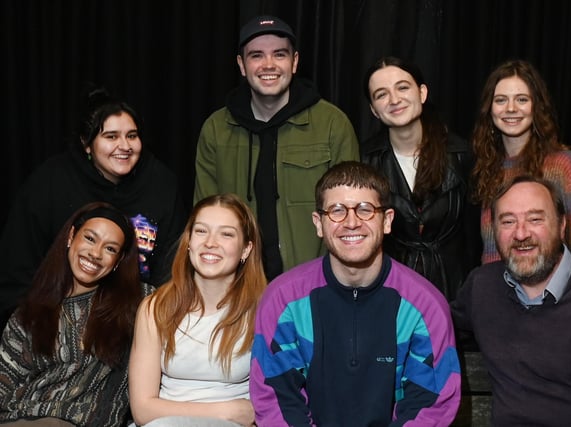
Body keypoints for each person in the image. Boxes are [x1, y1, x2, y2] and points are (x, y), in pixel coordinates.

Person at [250, 161, 461, 426]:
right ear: (319, 223)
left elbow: (430, 406)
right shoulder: (282, 301)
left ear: (387, 221)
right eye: (337, 210)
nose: (351, 222)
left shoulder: (425, 306)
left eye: (366, 209)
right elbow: (276, 399)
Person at [450, 175, 571, 426]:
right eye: (508, 221)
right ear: (494, 231)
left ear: (562, 226)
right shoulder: (482, 287)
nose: (520, 233)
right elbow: (433, 329)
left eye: (535, 219)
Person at [0, 87, 188, 326]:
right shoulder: (50, 183)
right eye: (111, 137)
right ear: (87, 144)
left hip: (137, 320)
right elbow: (17, 269)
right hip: (58, 319)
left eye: (132, 135)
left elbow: (173, 265)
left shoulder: (161, 183)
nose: (124, 146)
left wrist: (158, 322)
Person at [193, 15, 359, 281]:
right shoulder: (216, 129)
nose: (268, 65)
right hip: (237, 286)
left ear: (294, 62)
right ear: (241, 65)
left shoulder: (332, 124)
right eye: (256, 55)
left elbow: (350, 214)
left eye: (279, 55)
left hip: (313, 286)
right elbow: (204, 216)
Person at [0, 201, 154, 427]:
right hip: (21, 417)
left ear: (118, 261)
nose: (95, 253)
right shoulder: (30, 312)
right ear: (72, 236)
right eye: (90, 238)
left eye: (110, 248)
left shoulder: (139, 302)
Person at [128, 193, 267, 427]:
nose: (210, 242)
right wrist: (227, 411)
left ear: (246, 249)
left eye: (226, 234)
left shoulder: (263, 308)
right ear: (189, 242)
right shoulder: (156, 308)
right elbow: (142, 409)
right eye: (201, 231)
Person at [360, 56, 481, 301]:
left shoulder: (462, 156)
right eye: (381, 94)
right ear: (374, 110)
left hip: (457, 292)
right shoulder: (365, 162)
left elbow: (475, 235)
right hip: (391, 293)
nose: (394, 100)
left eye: (403, 87)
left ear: (422, 93)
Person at [470, 59, 571, 269]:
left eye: (522, 99)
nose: (511, 108)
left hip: (555, 298)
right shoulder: (488, 167)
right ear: (489, 109)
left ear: (536, 106)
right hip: (501, 295)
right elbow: (491, 253)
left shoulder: (563, 164)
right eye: (501, 100)